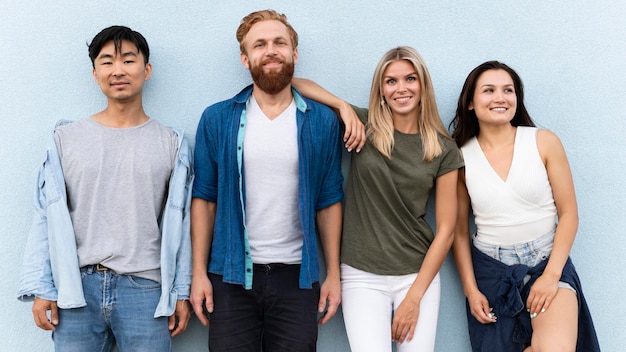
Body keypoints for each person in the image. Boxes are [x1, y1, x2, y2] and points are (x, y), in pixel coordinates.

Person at [189, 10, 358, 352]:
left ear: (294, 54)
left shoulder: (321, 121)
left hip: (297, 276)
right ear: (245, 57)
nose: (271, 50)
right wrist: (198, 273)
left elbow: (328, 201)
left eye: (279, 42)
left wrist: (333, 276)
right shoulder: (217, 118)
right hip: (231, 275)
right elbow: (205, 199)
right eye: (260, 44)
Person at [17, 25, 193, 351]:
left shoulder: (172, 143)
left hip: (146, 289)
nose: (118, 70)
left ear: (146, 69)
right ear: (95, 73)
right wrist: (43, 287)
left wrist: (181, 291)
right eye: (107, 61)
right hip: (76, 289)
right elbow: (45, 216)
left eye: (128, 60)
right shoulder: (65, 139)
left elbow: (182, 227)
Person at [292, 46, 463, 352]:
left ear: (423, 85)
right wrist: (342, 107)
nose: (401, 89)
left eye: (410, 79)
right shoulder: (365, 125)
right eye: (391, 81)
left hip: (417, 275)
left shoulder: (443, 149)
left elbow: (447, 230)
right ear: (381, 90)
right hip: (361, 275)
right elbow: (296, 84)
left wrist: (414, 298)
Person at [449, 61, 600, 351]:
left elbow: (569, 214)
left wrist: (552, 276)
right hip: (492, 270)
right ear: (470, 102)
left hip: (547, 261)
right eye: (489, 90)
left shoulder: (543, 142)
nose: (500, 97)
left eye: (508, 90)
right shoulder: (461, 159)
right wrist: (471, 290)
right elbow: (458, 233)